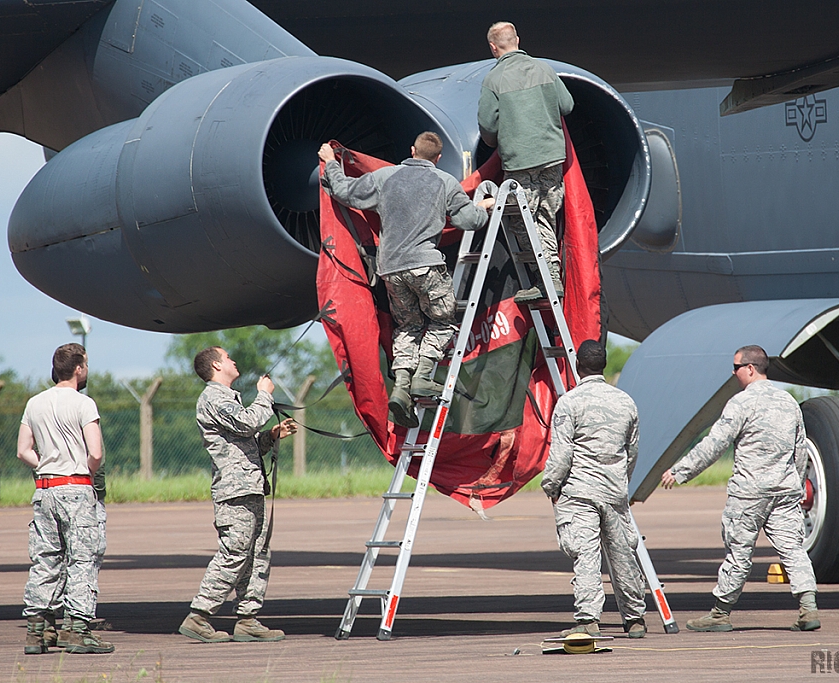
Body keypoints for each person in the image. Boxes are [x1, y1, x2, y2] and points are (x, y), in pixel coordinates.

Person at [318, 132, 495, 429]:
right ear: (438, 159)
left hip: (391, 270)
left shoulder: (385, 177)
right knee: (443, 321)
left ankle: (401, 387)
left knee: (409, 326)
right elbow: (468, 222)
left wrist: (330, 163)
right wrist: (484, 208)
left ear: (412, 150)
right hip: (425, 266)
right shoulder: (446, 182)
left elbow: (345, 192)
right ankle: (423, 377)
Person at [661, 345, 820, 632]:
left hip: (749, 492)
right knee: (793, 550)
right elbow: (800, 451)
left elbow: (715, 444)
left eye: (735, 368)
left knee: (739, 552)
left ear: (750, 368)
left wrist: (681, 471)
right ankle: (808, 609)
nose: (732, 374)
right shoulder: (789, 402)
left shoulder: (740, 403)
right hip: (784, 492)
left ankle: (720, 615)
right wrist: (794, 486)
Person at [178, 347, 297, 643]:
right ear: (217, 365)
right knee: (234, 552)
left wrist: (270, 436)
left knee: (257, 553)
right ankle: (199, 616)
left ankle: (248, 619)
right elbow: (245, 423)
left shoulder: (228, 398)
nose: (234, 361)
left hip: (249, 486)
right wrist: (265, 394)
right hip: (235, 491)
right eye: (228, 357)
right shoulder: (214, 397)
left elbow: (244, 442)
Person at [541, 339, 647, 639]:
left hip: (579, 492)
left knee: (586, 555)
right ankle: (635, 618)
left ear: (579, 365)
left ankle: (588, 619)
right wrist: (620, 480)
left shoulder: (570, 402)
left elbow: (561, 454)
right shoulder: (625, 402)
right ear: (603, 364)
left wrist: (551, 485)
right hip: (614, 490)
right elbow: (632, 451)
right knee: (622, 554)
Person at [17, 343, 113, 654]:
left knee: (46, 558)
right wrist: (84, 470)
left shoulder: (35, 403)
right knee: (82, 558)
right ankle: (77, 628)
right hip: (77, 487)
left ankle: (38, 630)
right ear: (78, 369)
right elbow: (96, 452)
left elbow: (22, 450)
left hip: (45, 489)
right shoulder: (84, 404)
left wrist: (46, 464)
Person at [478, 21, 575, 303]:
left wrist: (498, 140)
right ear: (517, 40)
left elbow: (487, 126)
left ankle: (546, 278)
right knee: (546, 216)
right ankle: (551, 278)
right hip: (552, 158)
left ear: (493, 47)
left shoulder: (493, 80)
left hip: (521, 161)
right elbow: (567, 105)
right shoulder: (545, 69)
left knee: (522, 220)